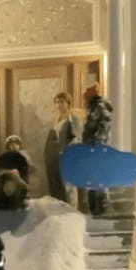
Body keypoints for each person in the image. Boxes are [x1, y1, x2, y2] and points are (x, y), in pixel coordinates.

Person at [82, 84, 113, 217]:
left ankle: (100, 209)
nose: (84, 101)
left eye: (86, 98)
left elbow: (104, 123)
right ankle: (95, 209)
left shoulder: (99, 106)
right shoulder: (93, 108)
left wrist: (98, 141)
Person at [44, 92, 80, 204]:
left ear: (68, 103)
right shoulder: (56, 119)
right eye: (57, 102)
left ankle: (72, 213)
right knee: (57, 186)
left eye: (62, 102)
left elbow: (76, 138)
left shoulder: (73, 119)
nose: (59, 105)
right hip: (56, 157)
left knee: (69, 186)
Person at [0, 135, 30, 210]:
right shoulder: (0, 159)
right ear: (8, 146)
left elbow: (24, 176)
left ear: (20, 146)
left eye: (16, 144)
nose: (14, 146)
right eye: (11, 144)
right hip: (1, 185)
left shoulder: (23, 159)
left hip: (17, 186)